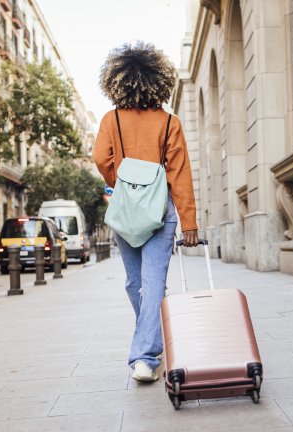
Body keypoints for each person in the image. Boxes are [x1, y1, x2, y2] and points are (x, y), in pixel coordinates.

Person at [94, 42, 198, 382]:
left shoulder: (112, 120)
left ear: (119, 81)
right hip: (160, 212)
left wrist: (120, 183)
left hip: (126, 212)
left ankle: (145, 355)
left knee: (135, 282)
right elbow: (179, 174)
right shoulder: (170, 122)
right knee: (152, 283)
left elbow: (101, 159)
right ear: (159, 82)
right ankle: (150, 345)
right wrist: (190, 223)